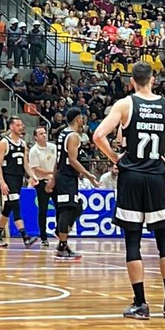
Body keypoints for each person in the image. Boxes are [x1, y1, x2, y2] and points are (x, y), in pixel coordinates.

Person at [92, 61, 165, 320]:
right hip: (155, 177)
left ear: (131, 82)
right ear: (153, 79)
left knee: (133, 241)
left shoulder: (125, 104)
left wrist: (117, 158)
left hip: (131, 176)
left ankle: (140, 304)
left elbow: (97, 136)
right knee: (164, 241)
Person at [47, 108, 99, 262]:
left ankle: (60, 234)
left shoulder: (63, 133)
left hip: (62, 176)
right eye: (82, 117)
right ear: (77, 119)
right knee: (68, 210)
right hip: (67, 177)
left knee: (76, 207)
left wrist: (53, 177)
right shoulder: (74, 136)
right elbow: (73, 160)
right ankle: (62, 245)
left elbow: (58, 159)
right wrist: (89, 175)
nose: (84, 120)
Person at [0, 116, 39, 248]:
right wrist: (1, 181)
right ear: (11, 127)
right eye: (18, 125)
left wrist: (33, 176)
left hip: (18, 179)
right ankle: (25, 236)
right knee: (16, 206)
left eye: (21, 125)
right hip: (8, 178)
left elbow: (26, 165)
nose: (21, 127)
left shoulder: (23, 144)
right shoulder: (4, 142)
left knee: (7, 209)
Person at [29, 125, 57, 247]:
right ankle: (43, 237)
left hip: (55, 181)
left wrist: (54, 175)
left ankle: (60, 231)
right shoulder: (34, 151)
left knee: (61, 207)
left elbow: (57, 162)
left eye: (44, 133)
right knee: (43, 210)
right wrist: (50, 173)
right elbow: (36, 169)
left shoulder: (53, 147)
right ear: (35, 137)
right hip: (42, 183)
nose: (44, 135)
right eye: (41, 134)